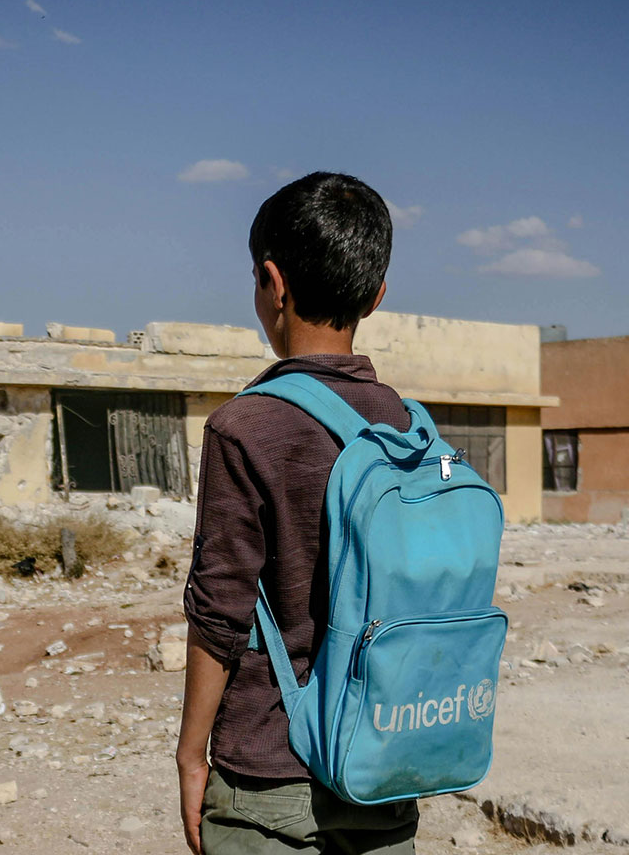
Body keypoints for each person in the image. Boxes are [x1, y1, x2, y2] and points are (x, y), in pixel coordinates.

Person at [177, 172, 419, 855]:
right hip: (384, 761)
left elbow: (220, 610)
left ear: (272, 284)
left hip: (270, 775)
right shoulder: (408, 425)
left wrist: (192, 753)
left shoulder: (245, 427)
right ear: (375, 296)